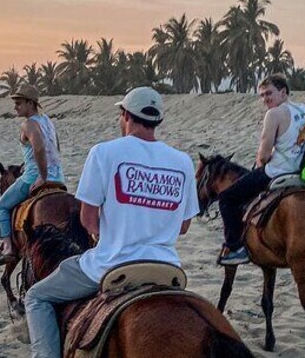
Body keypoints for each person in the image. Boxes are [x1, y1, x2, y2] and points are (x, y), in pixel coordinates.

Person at [25, 86, 198, 358]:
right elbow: (184, 226)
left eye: (121, 115)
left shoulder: (104, 152)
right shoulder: (183, 161)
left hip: (111, 265)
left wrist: (107, 232)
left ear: (126, 115)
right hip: (167, 268)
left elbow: (88, 219)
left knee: (37, 297)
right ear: (157, 121)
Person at [217, 73, 305, 266]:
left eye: (269, 93)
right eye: (262, 95)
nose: (265, 99)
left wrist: (259, 165)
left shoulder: (274, 114)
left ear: (283, 92)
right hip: (302, 173)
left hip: (278, 172)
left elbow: (264, 154)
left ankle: (236, 248)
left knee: (227, 198)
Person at [0, 84, 65, 262]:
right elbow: (55, 148)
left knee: (1, 206)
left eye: (18, 103)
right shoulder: (48, 121)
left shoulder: (28, 124)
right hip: (59, 178)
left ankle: (8, 248)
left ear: (31, 104)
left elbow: (39, 148)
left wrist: (42, 175)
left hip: (34, 177)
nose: (15, 107)